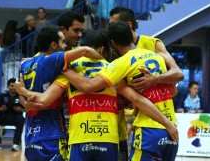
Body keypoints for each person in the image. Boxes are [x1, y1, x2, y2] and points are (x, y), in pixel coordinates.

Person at [15, 30, 178, 161]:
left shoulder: (68, 69)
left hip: (79, 139)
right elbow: (138, 98)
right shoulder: (113, 69)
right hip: (109, 139)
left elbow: (43, 98)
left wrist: (22, 92)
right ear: (102, 49)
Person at [63, 22, 179, 161]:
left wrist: (62, 69)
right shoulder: (156, 56)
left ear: (112, 43)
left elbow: (89, 85)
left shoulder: (121, 63)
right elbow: (173, 91)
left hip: (149, 129)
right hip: (172, 132)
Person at [19, 27, 102, 161]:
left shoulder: (24, 64)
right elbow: (85, 50)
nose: (65, 46)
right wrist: (102, 60)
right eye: (63, 42)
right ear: (53, 45)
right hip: (51, 134)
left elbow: (20, 91)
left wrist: (22, 95)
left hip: (30, 136)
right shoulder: (52, 60)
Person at [109, 7, 183, 91]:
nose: (109, 28)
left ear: (129, 25)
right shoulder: (112, 45)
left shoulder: (152, 44)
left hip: (154, 100)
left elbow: (178, 73)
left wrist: (155, 79)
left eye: (113, 24)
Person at [0, 78, 25, 151]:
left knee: (21, 118)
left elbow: (27, 109)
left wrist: (21, 109)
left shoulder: (21, 96)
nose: (13, 87)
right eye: (11, 86)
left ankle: (16, 144)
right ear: (8, 86)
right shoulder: (2, 95)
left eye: (15, 86)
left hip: (15, 118)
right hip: (3, 117)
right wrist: (0, 109)